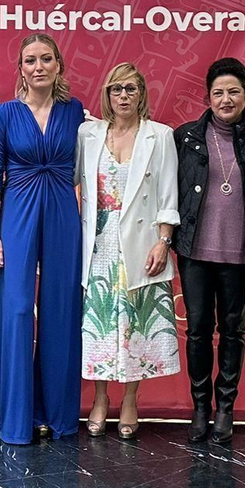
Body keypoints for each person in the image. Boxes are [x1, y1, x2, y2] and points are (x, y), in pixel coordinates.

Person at [0, 32, 87, 445]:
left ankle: (55, 415)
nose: (39, 66)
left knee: (61, 310)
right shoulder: (5, 113)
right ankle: (14, 416)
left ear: (58, 65)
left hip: (63, 213)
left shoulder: (75, 111)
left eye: (46, 59)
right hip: (18, 213)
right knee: (17, 310)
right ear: (21, 69)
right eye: (30, 60)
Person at [77, 63, 180, 441]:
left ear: (141, 94)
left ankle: (131, 400)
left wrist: (163, 241)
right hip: (98, 242)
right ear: (107, 94)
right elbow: (65, 177)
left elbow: (169, 194)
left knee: (135, 324)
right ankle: (100, 399)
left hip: (141, 244)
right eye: (116, 89)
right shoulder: (88, 133)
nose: (123, 96)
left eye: (131, 89)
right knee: (100, 323)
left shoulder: (160, 136)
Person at [176, 59, 245, 446]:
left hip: (239, 252)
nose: (226, 99)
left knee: (233, 330)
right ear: (208, 98)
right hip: (195, 251)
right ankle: (200, 407)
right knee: (198, 330)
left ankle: (225, 408)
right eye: (218, 93)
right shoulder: (185, 137)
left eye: (234, 91)